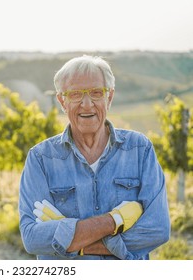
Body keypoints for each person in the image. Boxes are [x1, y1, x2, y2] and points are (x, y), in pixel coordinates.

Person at [18, 55, 170, 260]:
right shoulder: (41, 158)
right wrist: (114, 220)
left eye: (96, 93)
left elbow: (157, 230)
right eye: (75, 94)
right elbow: (33, 238)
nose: (87, 104)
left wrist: (73, 241)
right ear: (62, 100)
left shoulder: (139, 149)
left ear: (110, 97)